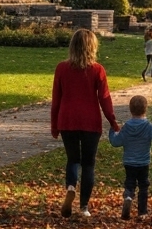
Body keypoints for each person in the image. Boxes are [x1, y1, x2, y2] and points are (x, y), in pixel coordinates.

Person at [50, 28, 120, 219]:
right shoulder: (97, 70)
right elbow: (105, 98)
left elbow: (56, 99)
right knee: (88, 164)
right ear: (93, 47)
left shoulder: (61, 68)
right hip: (90, 121)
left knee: (73, 159)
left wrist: (54, 125)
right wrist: (113, 121)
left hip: (67, 119)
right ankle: (84, 207)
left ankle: (71, 186)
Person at [108, 94, 152, 220]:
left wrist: (113, 131)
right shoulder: (149, 127)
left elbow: (115, 142)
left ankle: (128, 196)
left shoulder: (126, 127)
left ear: (130, 109)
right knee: (144, 186)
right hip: (143, 162)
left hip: (129, 162)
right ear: (146, 109)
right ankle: (142, 212)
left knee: (130, 182)